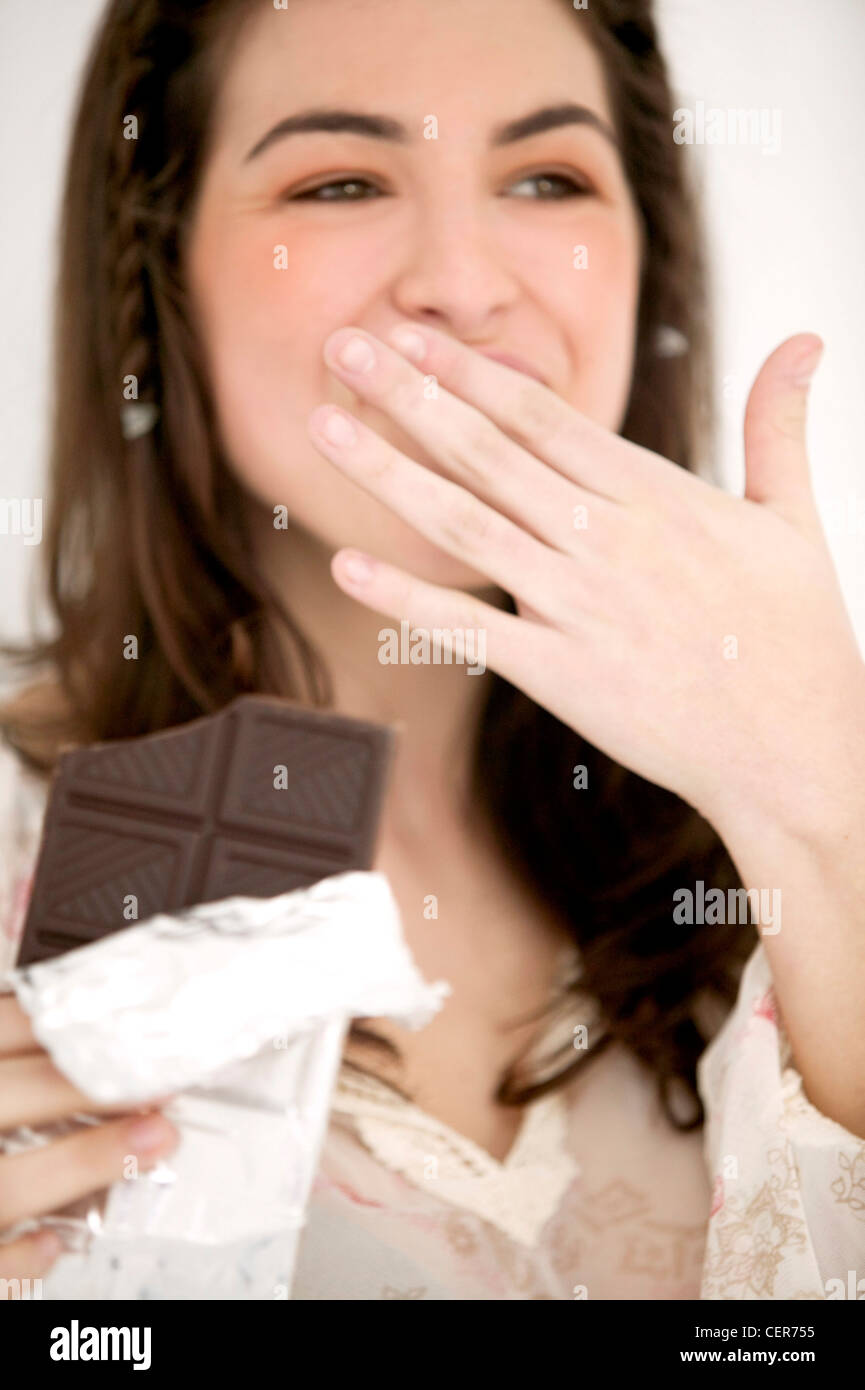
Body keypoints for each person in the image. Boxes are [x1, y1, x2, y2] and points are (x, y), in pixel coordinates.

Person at [1, 0, 863, 1301]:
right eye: (339, 180)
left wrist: (827, 800)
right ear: (156, 274)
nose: (461, 282)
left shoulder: (766, 840)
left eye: (544, 176)